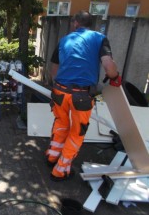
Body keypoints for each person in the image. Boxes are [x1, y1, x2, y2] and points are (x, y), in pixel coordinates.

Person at [45, 10, 122, 182]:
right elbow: (109, 65)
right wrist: (115, 78)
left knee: (60, 123)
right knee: (77, 132)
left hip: (59, 91)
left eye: (73, 23)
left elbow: (54, 69)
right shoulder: (99, 38)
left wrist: (58, 87)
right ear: (90, 24)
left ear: (76, 23)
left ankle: (52, 157)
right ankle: (60, 170)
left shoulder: (65, 40)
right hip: (81, 95)